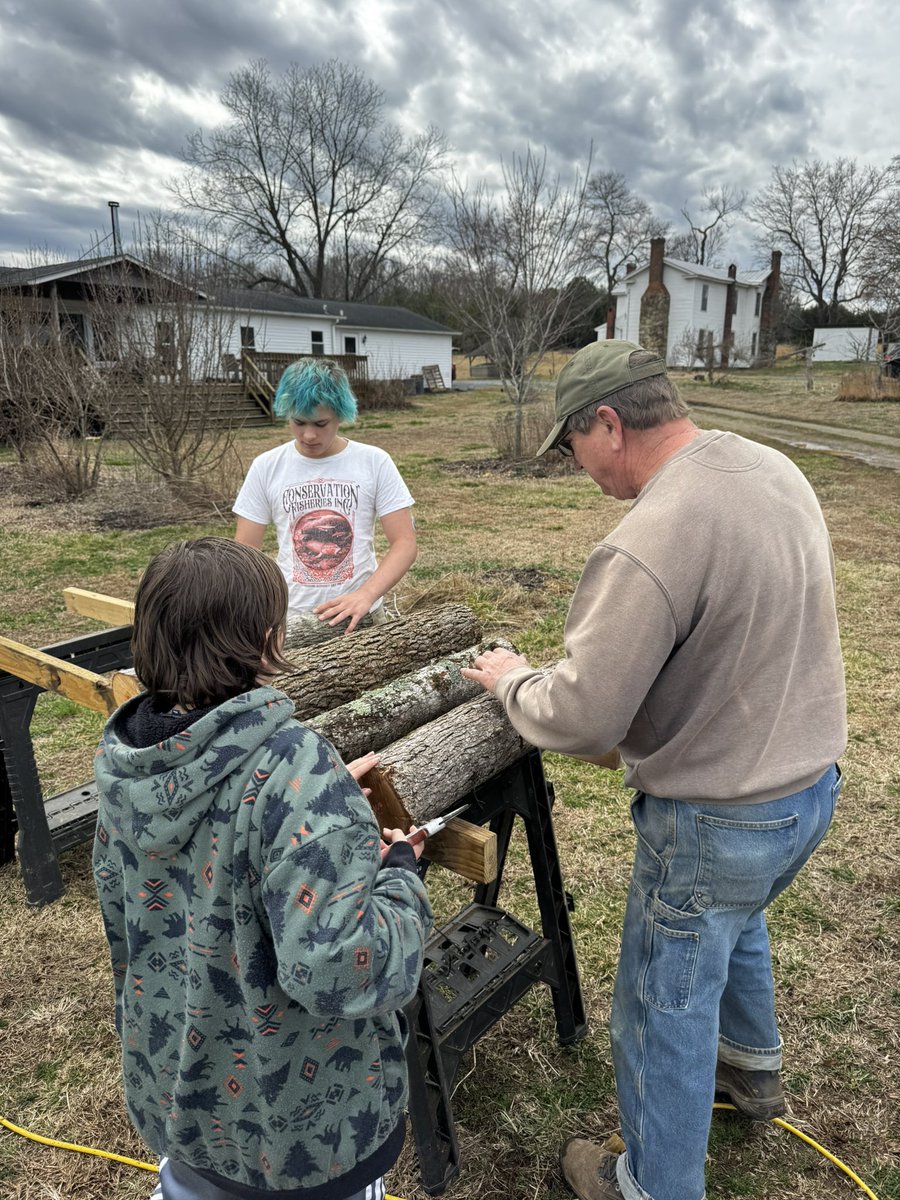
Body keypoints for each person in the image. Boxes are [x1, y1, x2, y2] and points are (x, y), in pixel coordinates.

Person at [462, 340, 847, 1200]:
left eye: (573, 445)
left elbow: (582, 713)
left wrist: (510, 680)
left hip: (719, 819)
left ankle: (650, 1184)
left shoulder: (651, 537)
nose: (577, 465)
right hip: (809, 789)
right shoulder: (771, 468)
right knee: (735, 922)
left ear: (609, 422)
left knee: (658, 1004)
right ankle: (750, 1068)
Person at [92, 536, 433, 1200]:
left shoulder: (126, 764)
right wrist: (398, 876)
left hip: (184, 1109)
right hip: (302, 1143)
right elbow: (340, 968)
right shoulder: (291, 766)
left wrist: (322, 799)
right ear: (267, 638)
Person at [234, 359, 417, 637]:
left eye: (321, 423)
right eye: (299, 422)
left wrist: (366, 595)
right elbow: (244, 555)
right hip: (291, 618)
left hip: (362, 618)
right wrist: (261, 613)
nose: (309, 434)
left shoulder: (374, 462)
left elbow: (404, 543)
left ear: (341, 414)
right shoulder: (267, 466)